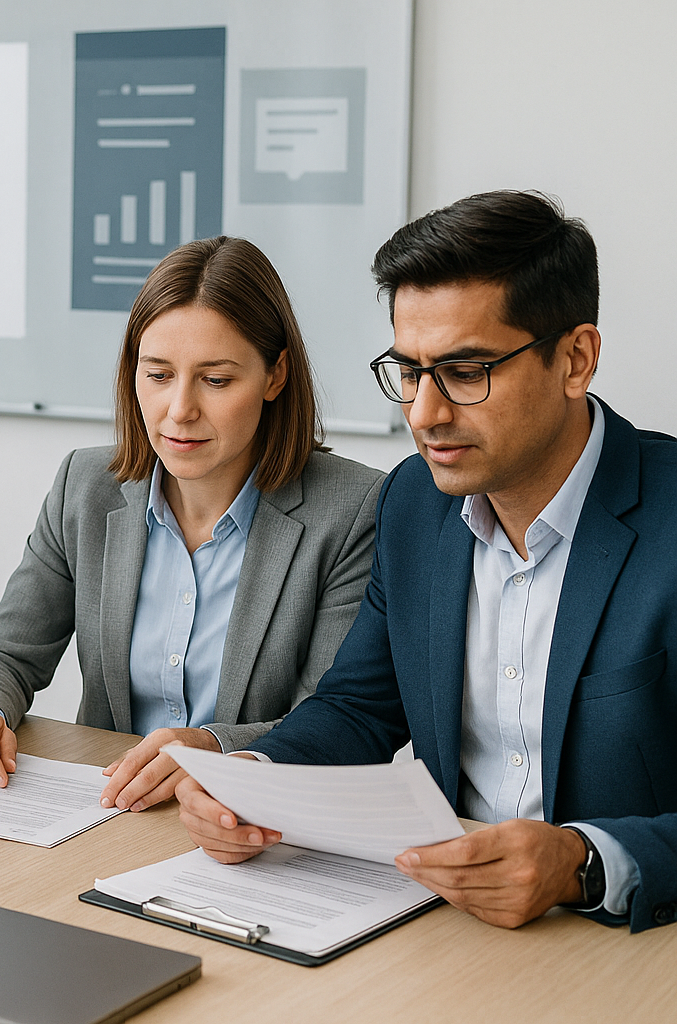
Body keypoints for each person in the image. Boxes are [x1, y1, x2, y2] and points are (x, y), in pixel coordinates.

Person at [177, 191, 677, 932]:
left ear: (576, 360)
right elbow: (358, 708)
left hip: (628, 945)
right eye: (409, 371)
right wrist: (256, 781)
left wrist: (585, 860)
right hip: (444, 925)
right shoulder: (415, 502)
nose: (424, 414)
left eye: (466, 371)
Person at [0, 236, 384, 811]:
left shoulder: (352, 508)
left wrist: (212, 748)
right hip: (101, 814)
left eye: (216, 380)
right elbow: (3, 654)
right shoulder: (86, 484)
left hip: (250, 823)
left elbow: (335, 720)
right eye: (158, 374)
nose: (179, 410)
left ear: (275, 377)